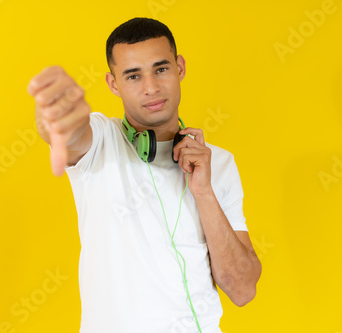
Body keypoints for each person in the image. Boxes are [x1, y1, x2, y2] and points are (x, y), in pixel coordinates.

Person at [27, 17, 261, 333]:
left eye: (160, 69)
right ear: (113, 84)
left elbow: (243, 289)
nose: (151, 87)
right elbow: (70, 136)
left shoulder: (218, 163)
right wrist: (56, 117)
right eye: (133, 76)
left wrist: (204, 192)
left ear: (179, 67)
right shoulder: (101, 140)